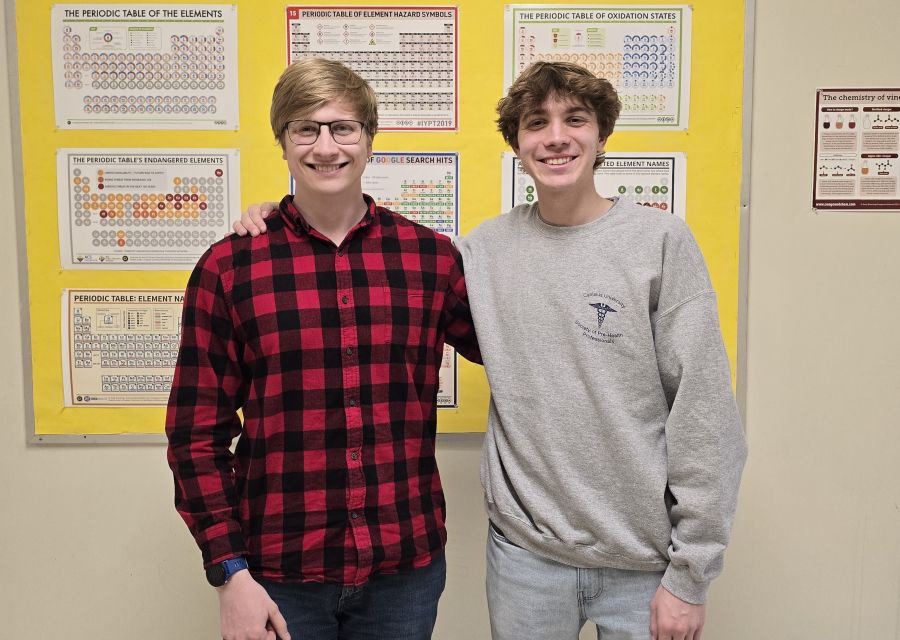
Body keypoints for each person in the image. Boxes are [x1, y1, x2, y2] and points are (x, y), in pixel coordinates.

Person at [234, 60, 746, 640]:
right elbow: (347, 255)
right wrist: (281, 218)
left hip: (645, 560)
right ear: (517, 144)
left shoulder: (660, 243)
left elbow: (705, 415)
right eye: (537, 123)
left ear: (603, 133)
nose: (556, 138)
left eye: (575, 119)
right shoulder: (479, 254)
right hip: (526, 557)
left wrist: (691, 573)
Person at [166, 57, 479, 640]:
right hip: (277, 571)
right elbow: (195, 435)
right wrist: (229, 573)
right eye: (306, 129)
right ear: (283, 141)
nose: (326, 146)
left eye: (343, 128)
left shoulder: (430, 259)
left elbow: (518, 346)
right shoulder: (230, 267)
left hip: (403, 568)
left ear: (369, 138)